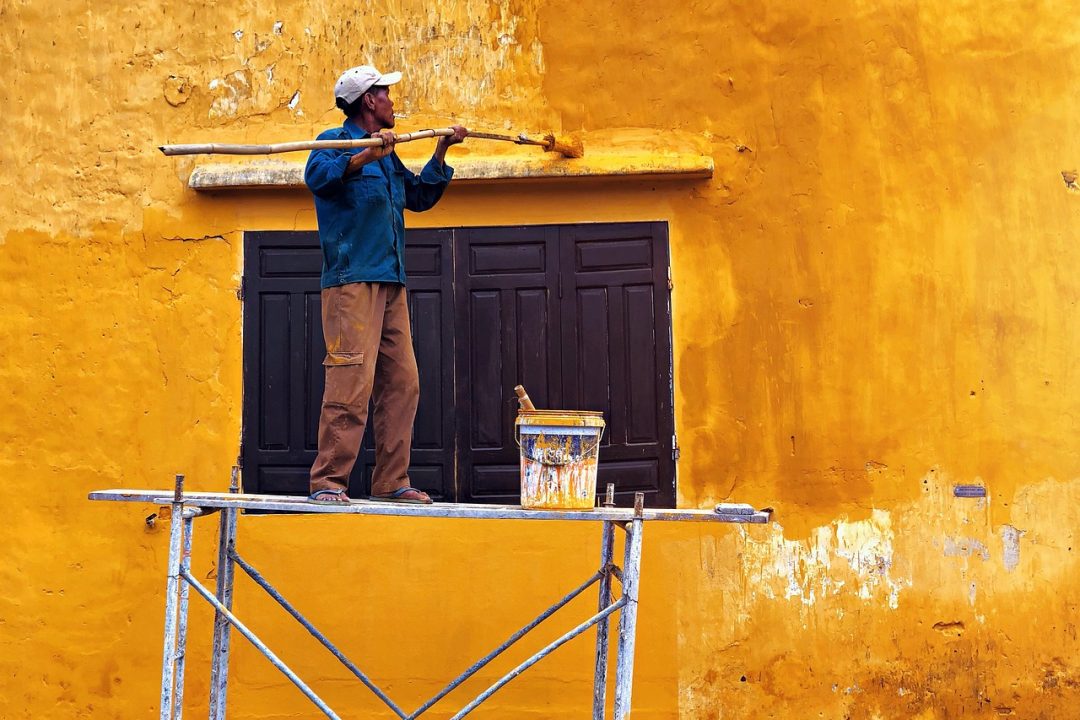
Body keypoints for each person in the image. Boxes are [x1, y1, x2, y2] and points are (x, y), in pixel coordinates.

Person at [304, 65, 467, 505]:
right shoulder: (333, 143)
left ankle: (392, 482)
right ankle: (328, 482)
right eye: (386, 93)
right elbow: (317, 179)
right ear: (368, 102)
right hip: (350, 282)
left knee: (403, 382)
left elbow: (417, 196)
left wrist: (440, 152)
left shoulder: (389, 153)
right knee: (351, 380)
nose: (393, 100)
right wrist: (364, 157)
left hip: (391, 282)